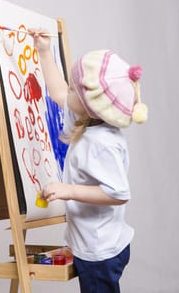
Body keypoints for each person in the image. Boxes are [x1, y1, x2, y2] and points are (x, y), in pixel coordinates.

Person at [29, 29, 148, 293]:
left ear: (90, 104)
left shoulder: (101, 142)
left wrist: (69, 191)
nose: (68, 92)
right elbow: (60, 93)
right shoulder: (87, 120)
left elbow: (118, 192)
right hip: (99, 243)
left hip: (99, 251)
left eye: (75, 90)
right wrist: (44, 51)